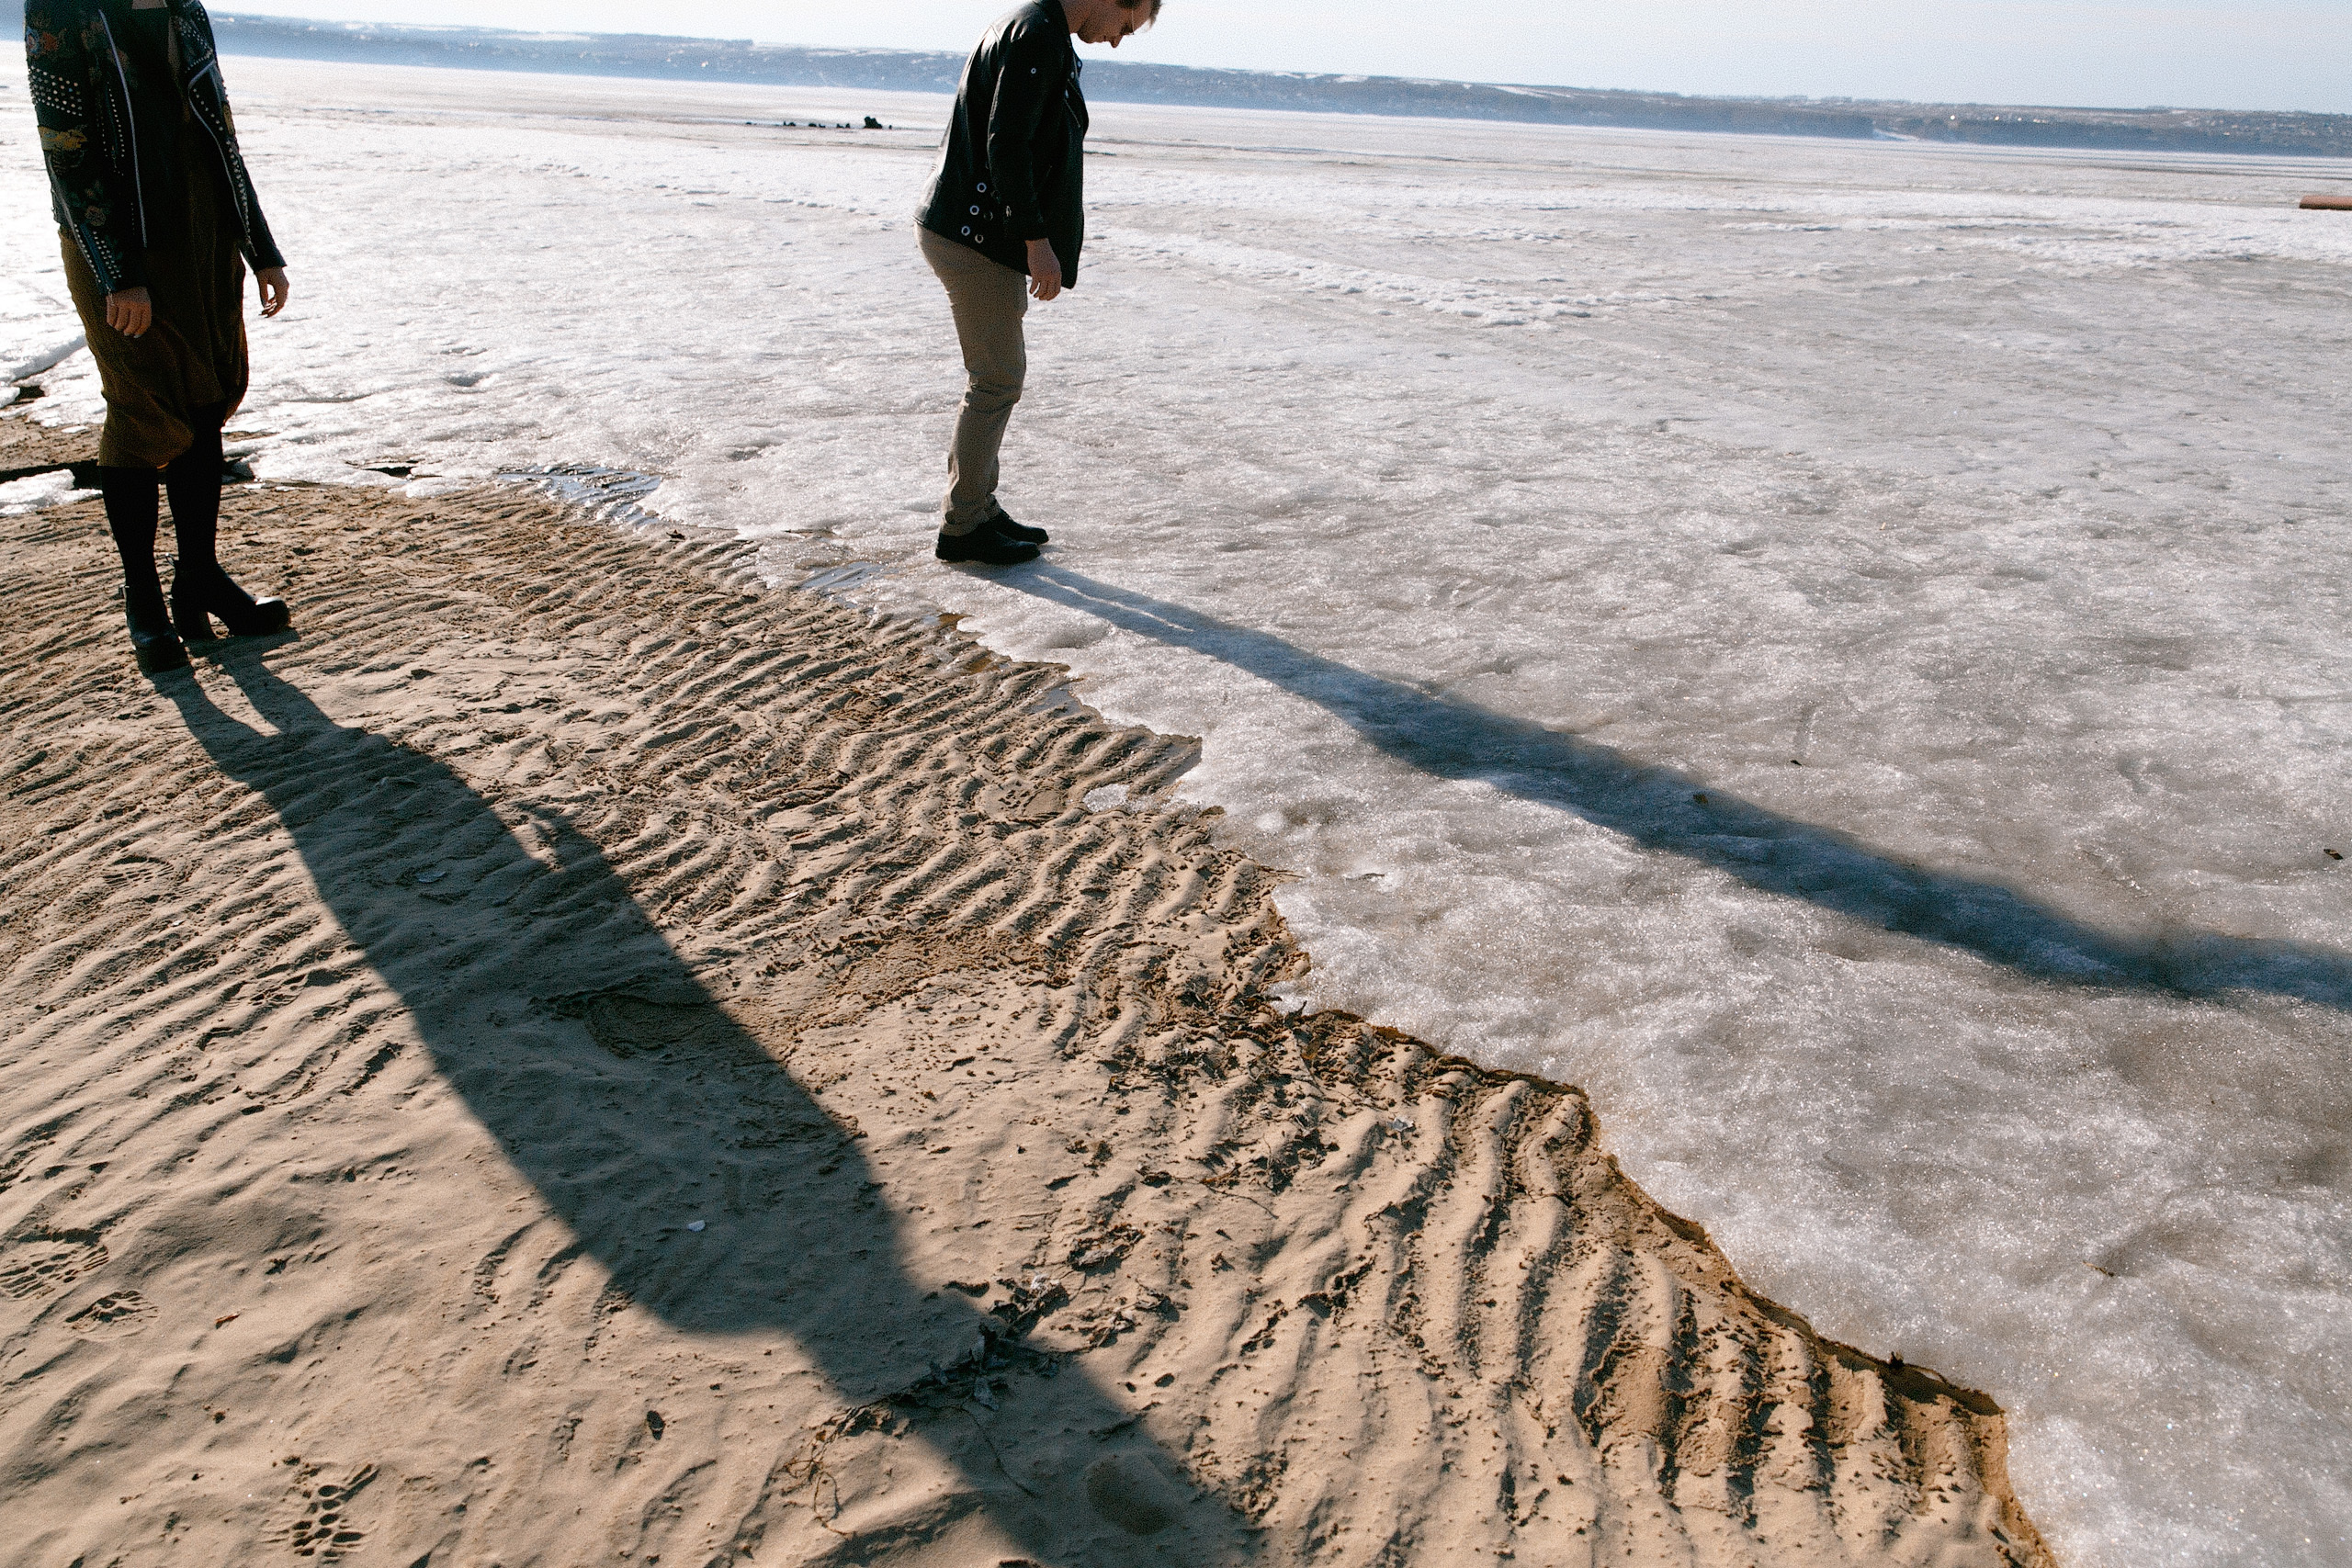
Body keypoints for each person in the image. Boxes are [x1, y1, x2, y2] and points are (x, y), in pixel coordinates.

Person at [27, 0, 292, 674]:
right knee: (143, 407)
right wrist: (118, 273)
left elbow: (221, 137)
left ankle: (198, 581)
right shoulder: (62, 11)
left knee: (207, 403)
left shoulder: (185, 11)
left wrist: (261, 247)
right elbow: (66, 151)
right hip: (119, 244)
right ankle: (143, 599)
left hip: (204, 233)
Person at [917, 0, 1160, 567]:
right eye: (1126, 24)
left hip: (969, 230)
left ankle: (978, 504)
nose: (1120, 40)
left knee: (999, 376)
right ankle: (964, 527)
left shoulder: (1039, 30)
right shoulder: (1037, 37)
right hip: (974, 236)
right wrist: (1036, 240)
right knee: (996, 378)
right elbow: (1008, 145)